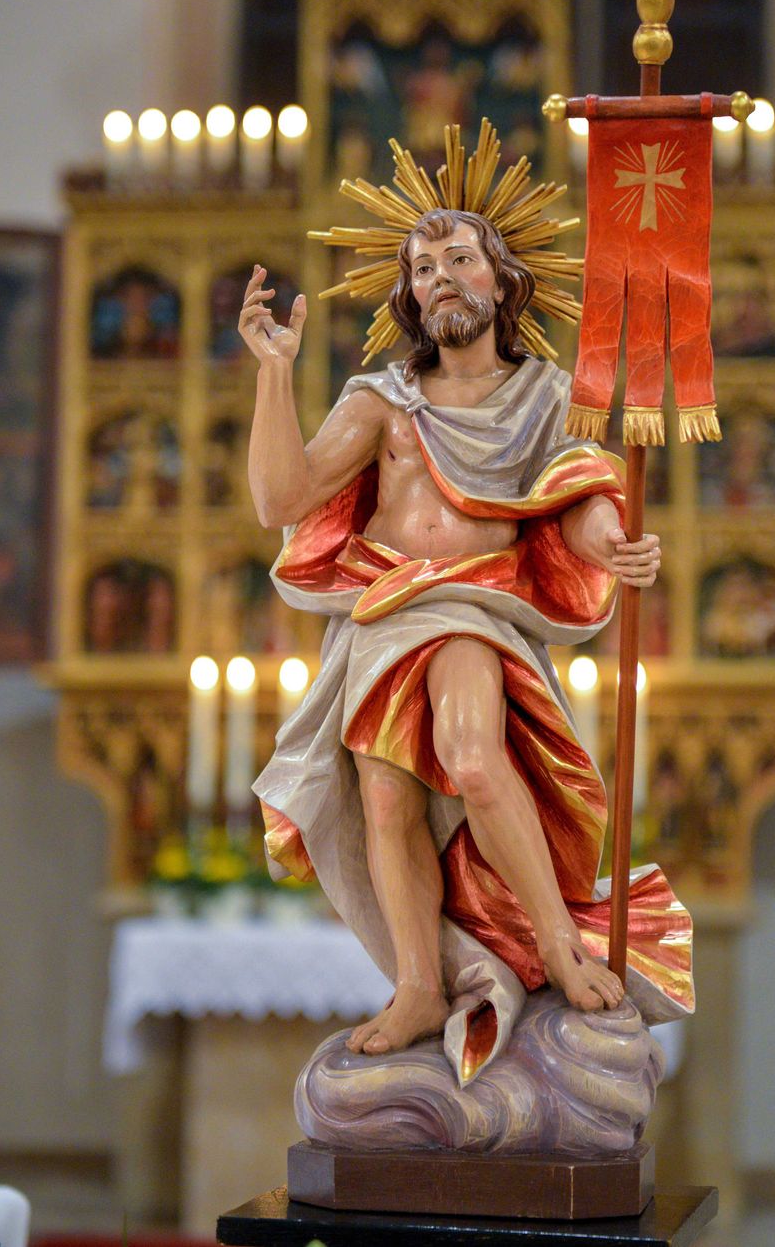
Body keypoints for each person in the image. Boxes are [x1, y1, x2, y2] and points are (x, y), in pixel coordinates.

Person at [241, 206, 691, 1081]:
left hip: (476, 608)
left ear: (503, 279)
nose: (440, 275)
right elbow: (281, 499)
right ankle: (417, 983)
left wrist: (617, 542)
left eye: (460, 257)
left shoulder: (547, 394)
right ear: (409, 296)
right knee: (385, 801)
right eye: (421, 267)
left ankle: (559, 943)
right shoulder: (383, 401)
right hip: (385, 607)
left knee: (477, 761)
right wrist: (274, 375)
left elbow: (578, 496)